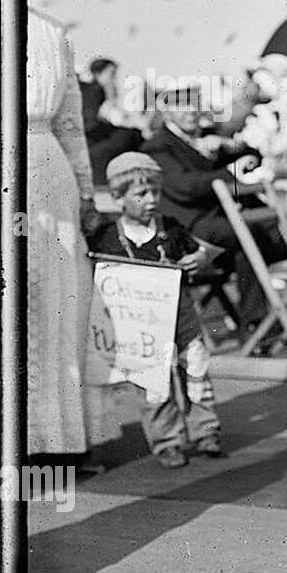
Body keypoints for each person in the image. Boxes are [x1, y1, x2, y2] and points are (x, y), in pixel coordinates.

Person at [89, 153, 224, 469]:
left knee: (196, 370)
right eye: (141, 194)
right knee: (152, 382)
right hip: (142, 329)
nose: (151, 200)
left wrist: (200, 258)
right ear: (119, 198)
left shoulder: (172, 229)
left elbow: (201, 251)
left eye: (155, 193)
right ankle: (166, 441)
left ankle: (206, 431)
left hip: (182, 315)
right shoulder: (108, 237)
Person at [23, 0, 99, 462]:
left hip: (48, 173)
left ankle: (49, 437)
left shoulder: (53, 34)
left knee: (54, 299)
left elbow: (71, 123)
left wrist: (86, 190)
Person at [142, 98, 286, 329]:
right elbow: (185, 187)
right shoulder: (158, 147)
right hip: (190, 228)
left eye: (192, 105)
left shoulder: (207, 136)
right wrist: (228, 171)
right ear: (166, 113)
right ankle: (262, 321)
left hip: (224, 220)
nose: (190, 112)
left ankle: (270, 319)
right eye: (180, 106)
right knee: (247, 234)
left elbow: (252, 155)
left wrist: (229, 146)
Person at [80, 57, 143, 185]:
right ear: (98, 73)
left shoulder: (90, 90)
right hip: (91, 140)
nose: (114, 79)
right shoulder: (94, 91)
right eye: (112, 74)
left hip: (91, 138)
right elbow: (91, 123)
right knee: (132, 135)